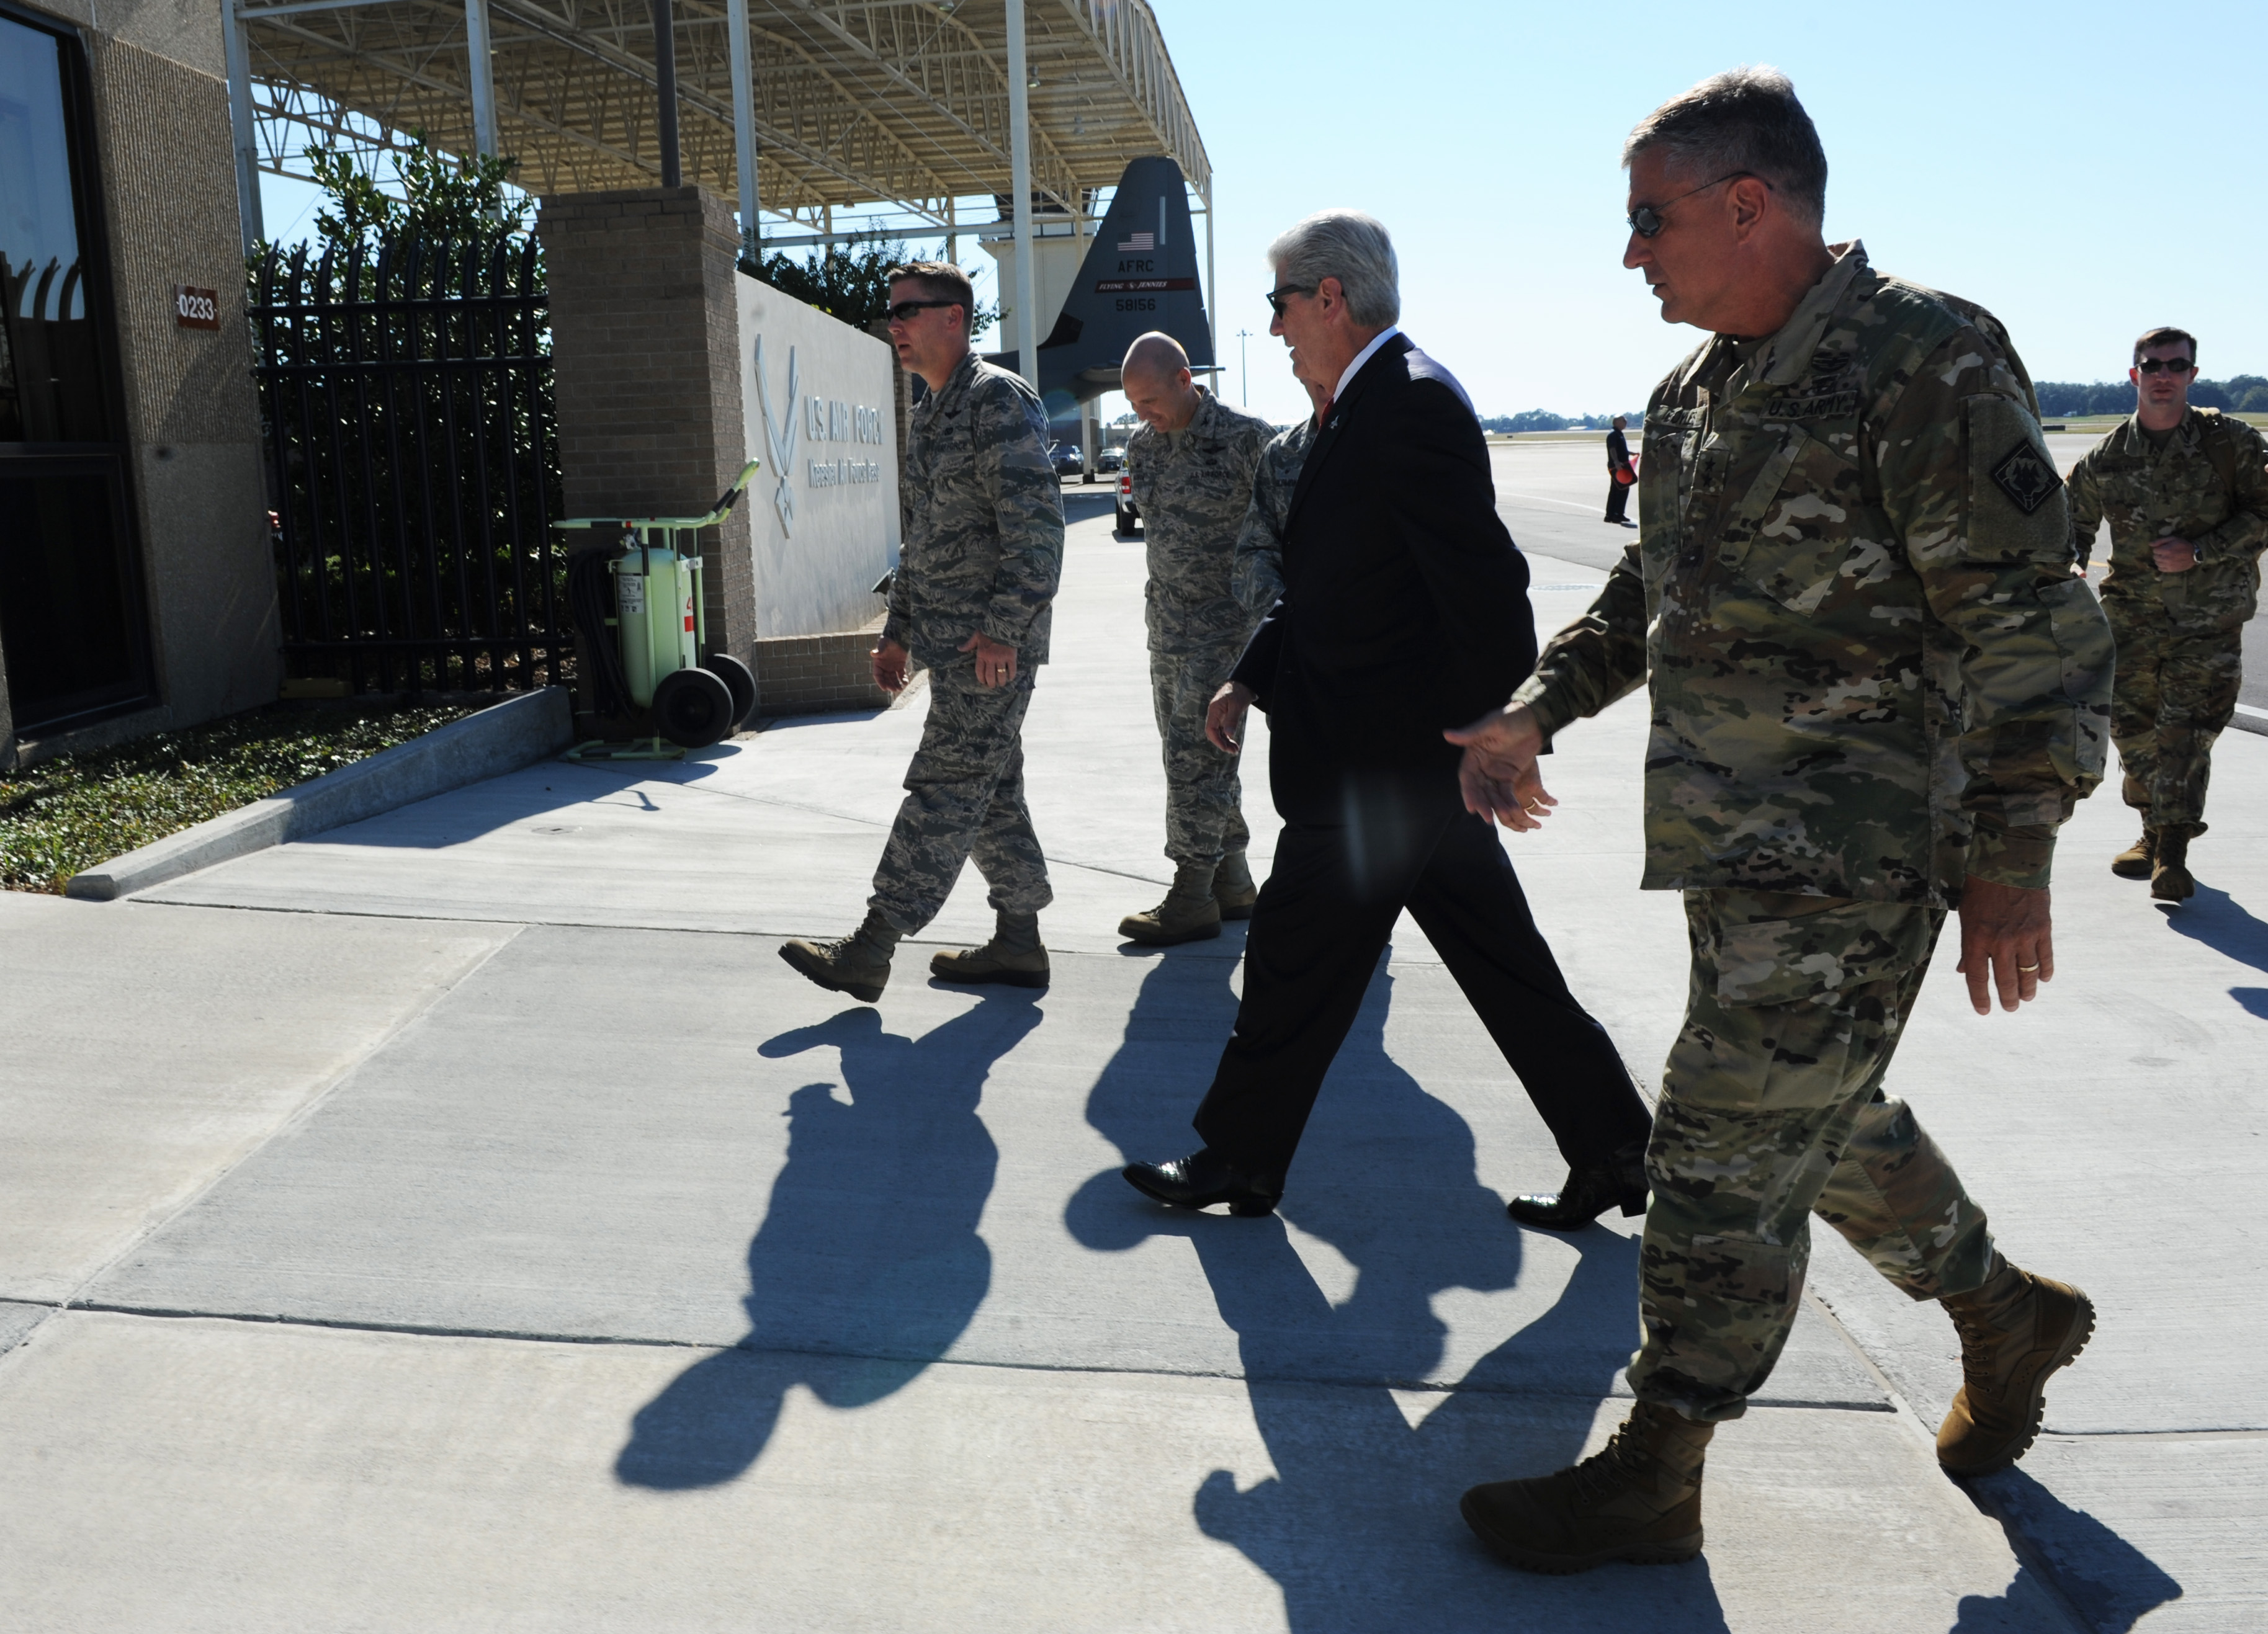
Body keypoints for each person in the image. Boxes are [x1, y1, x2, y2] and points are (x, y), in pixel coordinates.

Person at [1448, 68, 2116, 1574]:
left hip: (1865, 854)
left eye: (1651, 219)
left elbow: (2037, 630)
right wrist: (1537, 709)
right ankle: (2007, 1316)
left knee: (1712, 1148)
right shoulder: (1697, 395)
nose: (1634, 254)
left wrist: (2013, 860)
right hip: (1736, 853)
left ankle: (1659, 1463)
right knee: (1811, 1124)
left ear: (1751, 204)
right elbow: (1650, 600)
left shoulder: (1921, 360)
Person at [1120, 210, 1656, 1225]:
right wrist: (1252, 675)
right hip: (1399, 766)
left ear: (1329, 298)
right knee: (1504, 964)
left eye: (1280, 304)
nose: (1273, 328)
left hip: (1390, 767)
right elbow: (1330, 585)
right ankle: (1617, 1148)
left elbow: (1489, 591)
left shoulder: (1409, 404)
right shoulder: (1353, 408)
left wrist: (1494, 735)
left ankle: (1239, 1157)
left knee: (1290, 957)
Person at [778, 262, 1064, 1002]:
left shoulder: (995, 401)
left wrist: (1004, 631)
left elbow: (1038, 533)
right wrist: (899, 631)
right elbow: (925, 537)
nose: (894, 324)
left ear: (955, 320)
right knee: (990, 790)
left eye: (910, 310)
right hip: (952, 644)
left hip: (991, 650)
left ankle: (872, 946)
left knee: (942, 787)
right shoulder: (930, 409)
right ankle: (1019, 941)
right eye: (892, 311)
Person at [2066, 328, 2268, 903]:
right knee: (2133, 734)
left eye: (2175, 366)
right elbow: (2070, 528)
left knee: (2185, 735)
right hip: (2130, 622)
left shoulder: (2228, 443)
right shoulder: (2106, 457)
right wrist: (2071, 570)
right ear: (2134, 375)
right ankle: (2151, 832)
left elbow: (2264, 510)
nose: (2163, 375)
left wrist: (2201, 551)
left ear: (2191, 376)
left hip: (2207, 619)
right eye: (2151, 364)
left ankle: (2172, 850)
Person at [1116, 332, 1278, 946]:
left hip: (1229, 625)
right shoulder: (1142, 447)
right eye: (1134, 405)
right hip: (1167, 625)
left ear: (1186, 380)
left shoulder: (1249, 441)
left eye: (1151, 401)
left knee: (1199, 757)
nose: (1143, 417)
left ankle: (1190, 893)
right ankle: (1232, 882)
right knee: (1183, 752)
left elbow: (1286, 530)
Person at [1230, 373, 1330, 619]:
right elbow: (1253, 555)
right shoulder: (1281, 454)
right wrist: (1290, 621)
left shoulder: (1388, 441)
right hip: (1300, 642)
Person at [1603, 414, 1636, 525]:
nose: (1626, 423)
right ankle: (1615, 514)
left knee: (1618, 489)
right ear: (1617, 422)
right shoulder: (1613, 434)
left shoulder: (1618, 434)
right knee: (1621, 489)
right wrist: (1616, 462)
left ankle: (1613, 514)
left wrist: (1632, 453)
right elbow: (1612, 449)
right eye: (1623, 421)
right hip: (1618, 466)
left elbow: (1621, 450)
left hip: (1622, 466)